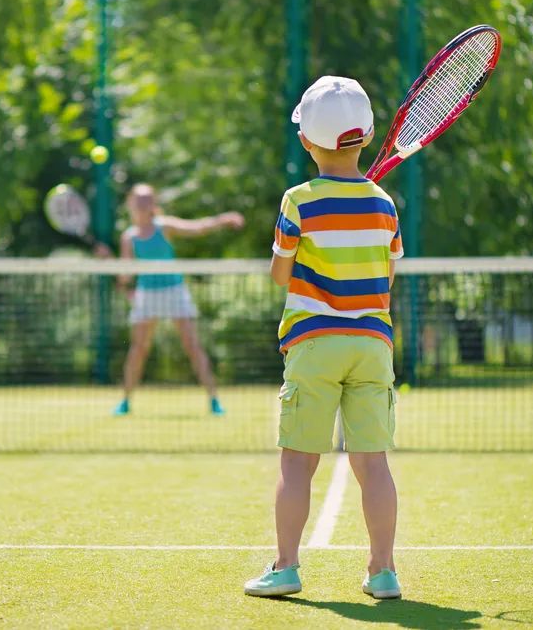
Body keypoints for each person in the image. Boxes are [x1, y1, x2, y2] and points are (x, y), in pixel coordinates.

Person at [244, 76, 404, 599]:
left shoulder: (298, 201)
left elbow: (279, 275)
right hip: (372, 344)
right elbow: (387, 277)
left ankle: (286, 566)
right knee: (372, 464)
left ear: (305, 141)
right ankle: (383, 572)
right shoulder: (384, 205)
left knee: (297, 461)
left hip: (314, 342)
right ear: (368, 135)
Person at [112, 183, 243, 416]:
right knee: (138, 350)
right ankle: (125, 402)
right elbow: (125, 275)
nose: (142, 204)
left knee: (192, 346)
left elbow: (198, 228)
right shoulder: (128, 237)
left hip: (174, 291)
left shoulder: (164, 226)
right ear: (130, 204)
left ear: (153, 204)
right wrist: (110, 265)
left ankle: (214, 401)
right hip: (147, 294)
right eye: (138, 200)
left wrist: (222, 220)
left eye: (147, 199)